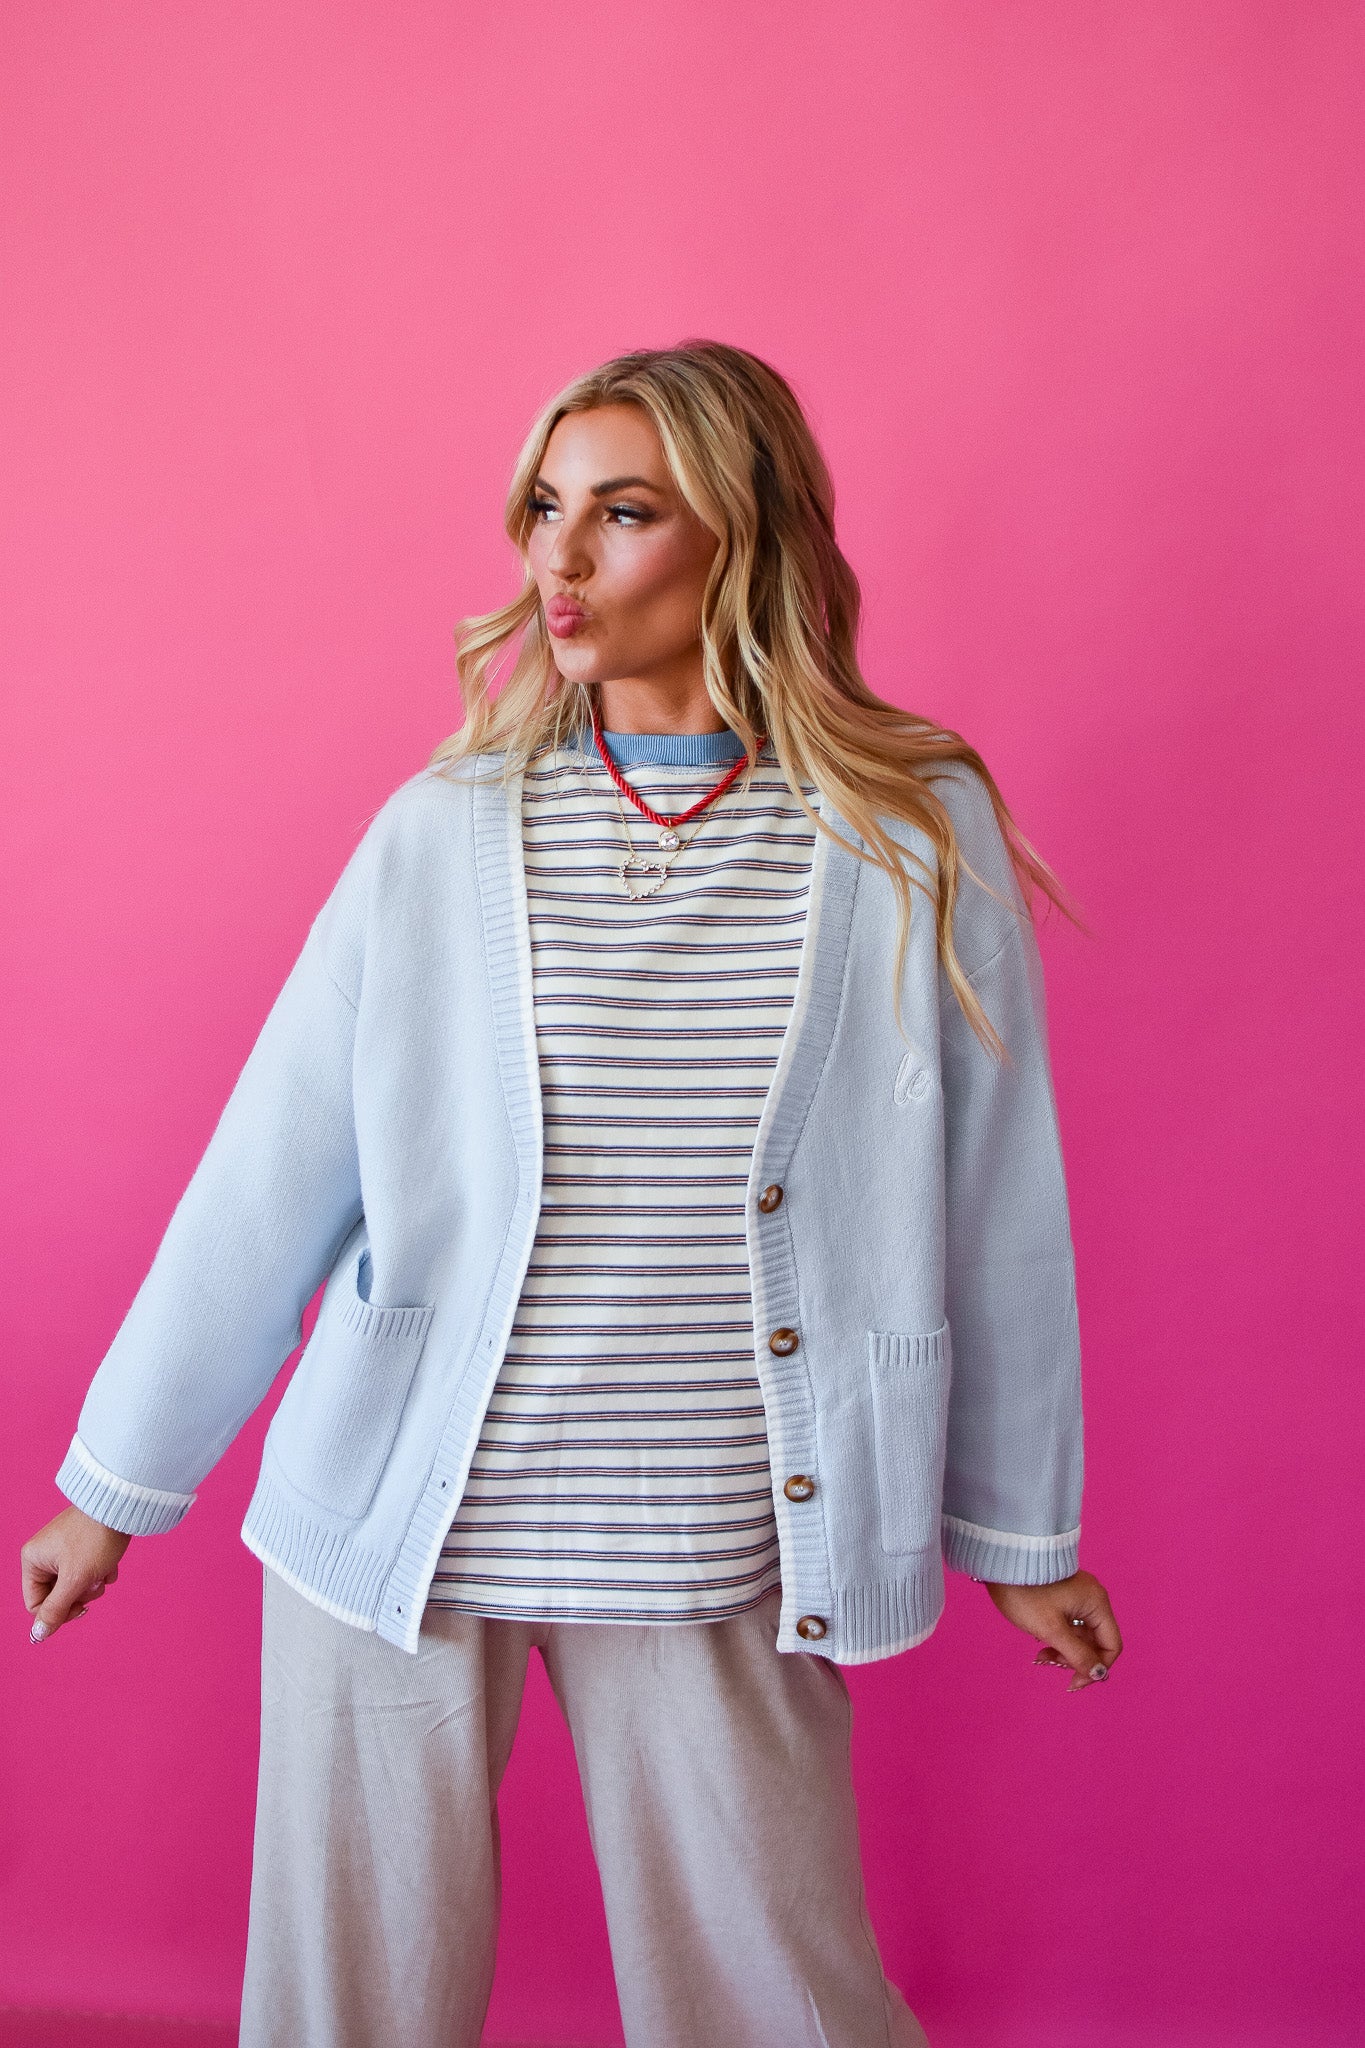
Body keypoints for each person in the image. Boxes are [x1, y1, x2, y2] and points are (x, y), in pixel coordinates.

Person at [21, 340, 1122, 2048]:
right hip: (394, 1516)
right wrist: (115, 1485)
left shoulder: (909, 827)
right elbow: (271, 1169)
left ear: (739, 533)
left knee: (779, 2000)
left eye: (622, 513)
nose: (561, 559)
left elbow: (994, 1205)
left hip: (722, 1524)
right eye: (546, 509)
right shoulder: (443, 830)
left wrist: (1020, 1532)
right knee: (345, 2012)